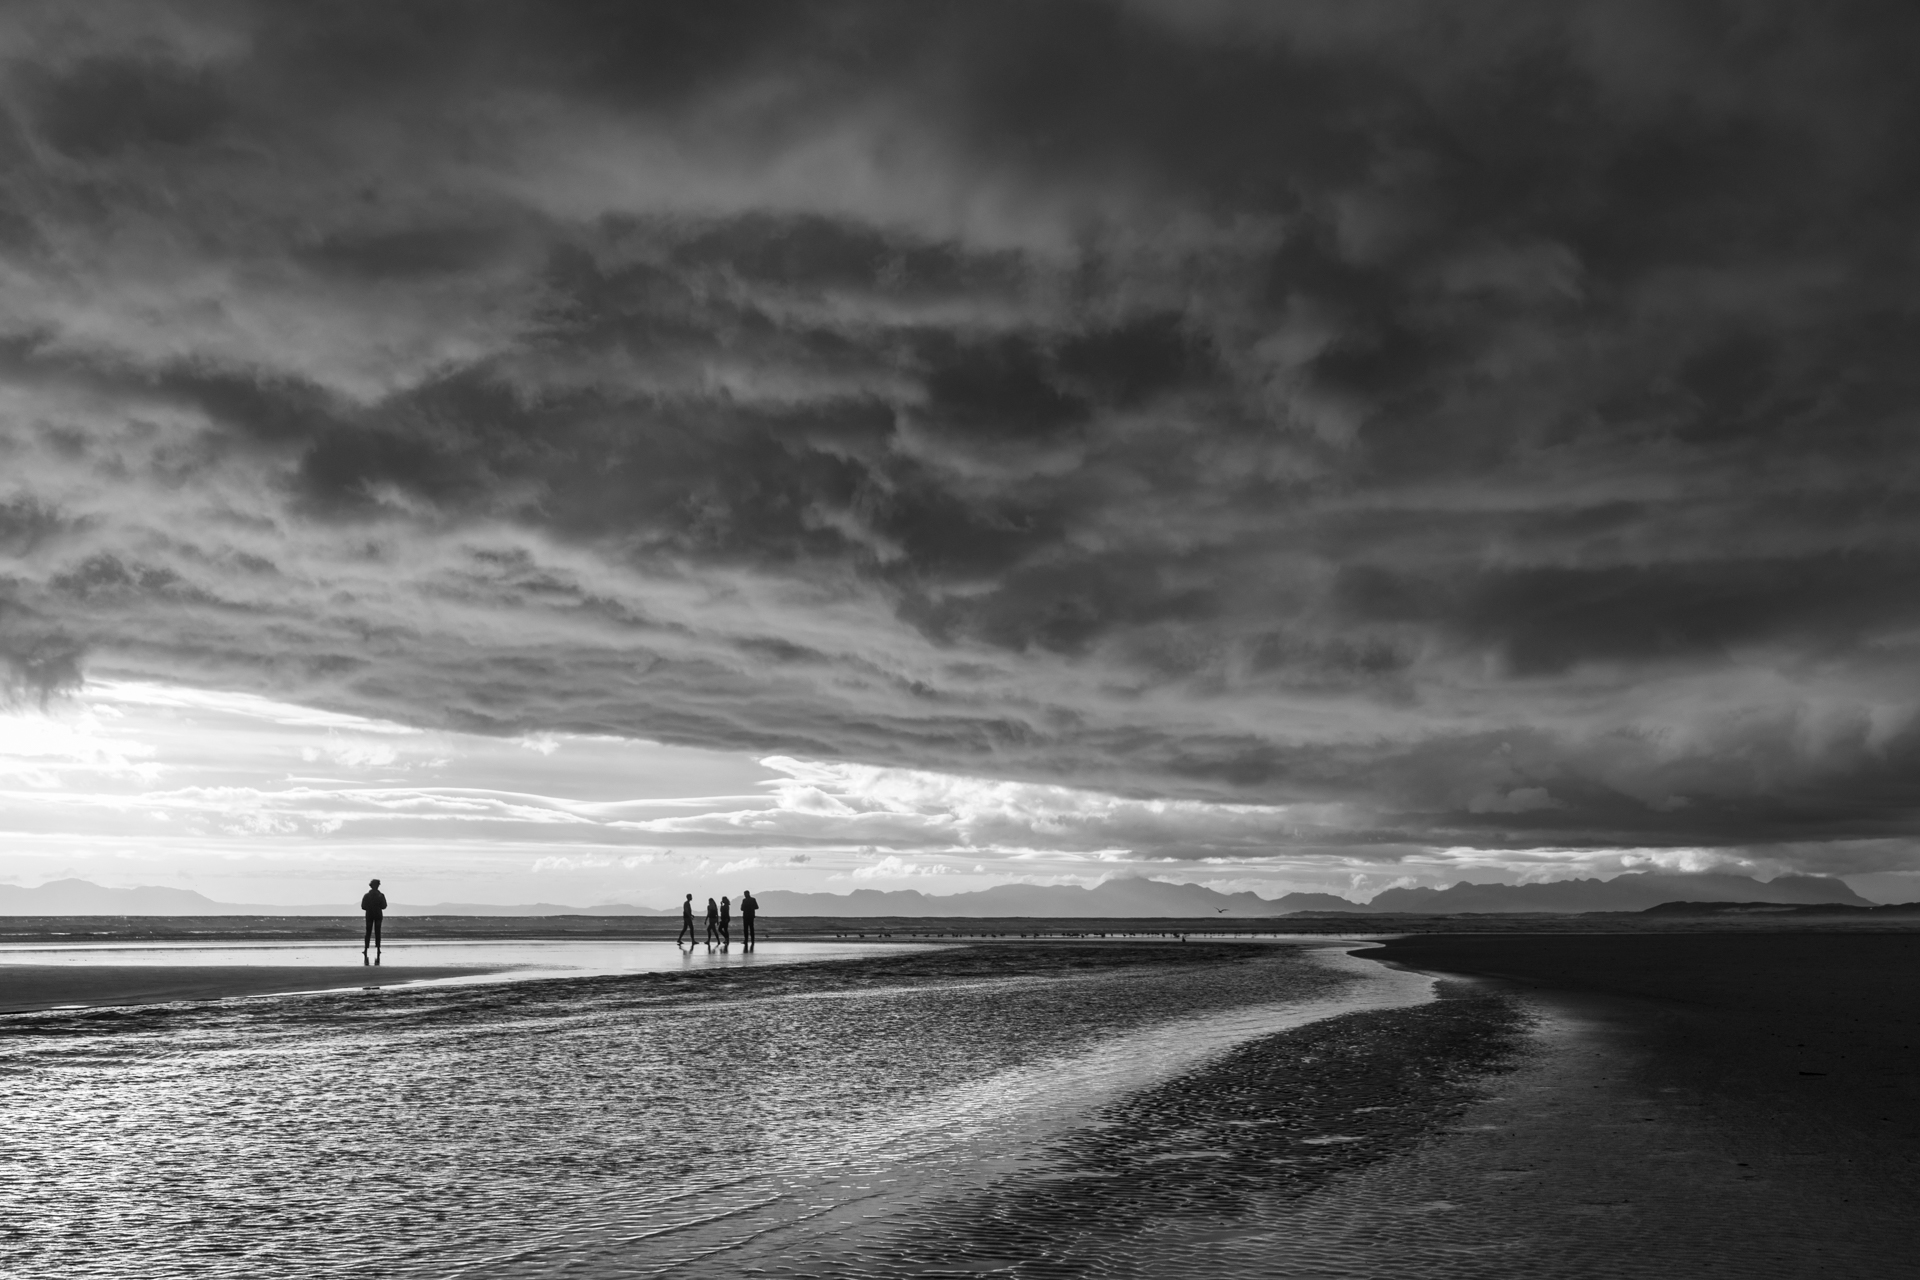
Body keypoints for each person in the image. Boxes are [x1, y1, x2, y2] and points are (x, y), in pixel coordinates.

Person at [360, 878, 387, 962]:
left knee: (368, 932)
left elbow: (363, 906)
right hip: (378, 914)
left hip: (369, 914)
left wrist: (369, 907)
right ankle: (378, 949)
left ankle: (366, 949)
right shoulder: (380, 895)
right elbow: (384, 906)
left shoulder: (367, 895)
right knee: (377, 932)